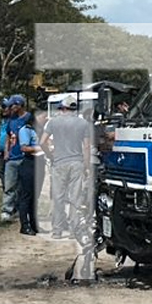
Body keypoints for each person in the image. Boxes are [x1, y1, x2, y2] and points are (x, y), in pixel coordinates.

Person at [42, 95, 93, 242]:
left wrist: (50, 155)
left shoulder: (53, 122)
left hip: (58, 162)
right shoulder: (83, 123)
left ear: (62, 107)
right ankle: (73, 230)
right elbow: (87, 146)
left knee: (58, 197)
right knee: (75, 197)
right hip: (76, 162)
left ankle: (57, 230)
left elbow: (42, 141)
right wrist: (87, 165)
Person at [0, 95, 28, 222]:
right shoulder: (11, 121)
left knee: (24, 187)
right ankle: (7, 210)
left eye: (12, 106)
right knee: (9, 186)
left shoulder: (28, 118)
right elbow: (8, 138)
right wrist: (6, 152)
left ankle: (23, 210)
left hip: (25, 157)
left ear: (19, 105)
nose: (10, 108)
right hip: (12, 157)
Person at [15, 111, 43, 236]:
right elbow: (24, 148)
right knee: (26, 196)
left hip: (40, 163)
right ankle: (24, 225)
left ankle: (34, 223)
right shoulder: (25, 130)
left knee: (35, 196)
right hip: (29, 163)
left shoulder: (39, 131)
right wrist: (42, 148)